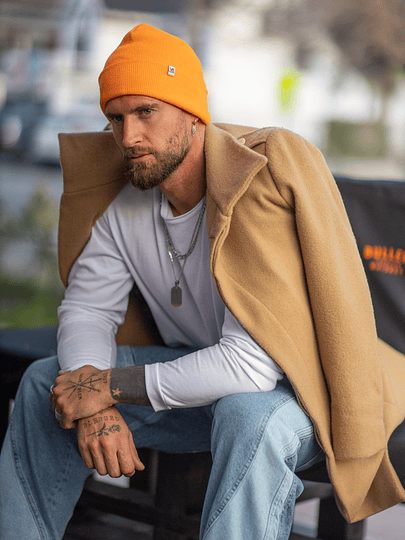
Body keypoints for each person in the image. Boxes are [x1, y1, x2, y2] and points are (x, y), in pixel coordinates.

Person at [1, 23, 405, 540]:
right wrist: (90, 396)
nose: (129, 137)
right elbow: (88, 310)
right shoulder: (125, 207)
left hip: (302, 388)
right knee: (45, 384)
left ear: (192, 114)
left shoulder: (256, 188)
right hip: (203, 376)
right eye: (117, 118)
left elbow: (251, 368)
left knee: (247, 415)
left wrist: (107, 386)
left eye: (147, 112)